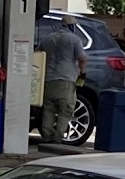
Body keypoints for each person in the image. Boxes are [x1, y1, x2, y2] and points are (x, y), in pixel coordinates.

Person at [36, 15, 88, 145]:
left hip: (48, 79)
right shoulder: (75, 40)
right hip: (66, 79)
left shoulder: (48, 39)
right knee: (65, 110)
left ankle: (47, 136)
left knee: (48, 109)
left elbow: (36, 54)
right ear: (72, 26)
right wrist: (83, 73)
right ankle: (58, 138)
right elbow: (82, 58)